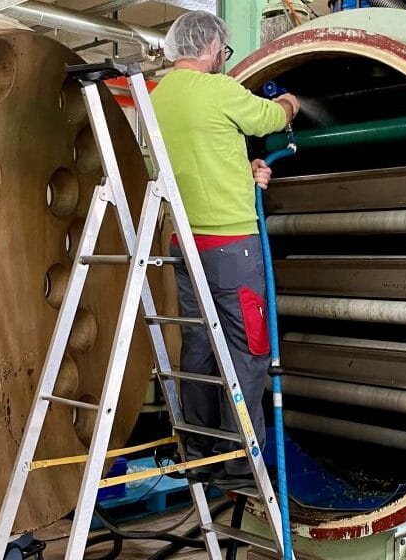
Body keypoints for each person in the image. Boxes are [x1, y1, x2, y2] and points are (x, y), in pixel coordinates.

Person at [151, 10, 299, 489]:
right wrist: (294, 103)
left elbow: (201, 152)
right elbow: (272, 116)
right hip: (232, 244)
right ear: (212, 48)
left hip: (184, 242)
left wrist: (245, 168)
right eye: (223, 52)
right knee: (247, 349)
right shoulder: (220, 90)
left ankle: (199, 450)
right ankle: (241, 458)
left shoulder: (158, 97)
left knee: (197, 345)